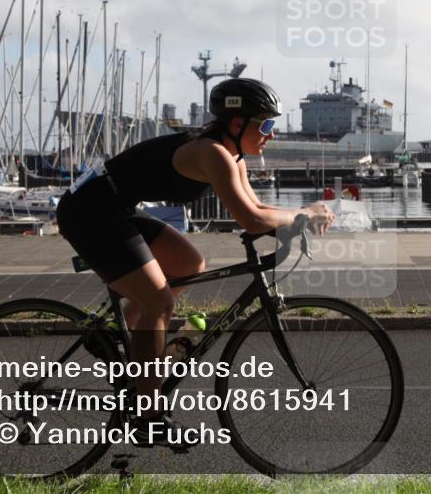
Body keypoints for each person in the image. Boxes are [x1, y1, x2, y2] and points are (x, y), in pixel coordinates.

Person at [55, 77, 335, 445]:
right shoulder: (211, 153)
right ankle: (147, 418)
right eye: (266, 124)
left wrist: (298, 219)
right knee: (158, 301)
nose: (270, 134)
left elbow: (259, 209)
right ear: (238, 124)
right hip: (88, 213)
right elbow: (250, 220)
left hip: (114, 209)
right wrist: (302, 214)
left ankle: (113, 335)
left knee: (190, 264)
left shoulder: (232, 156)